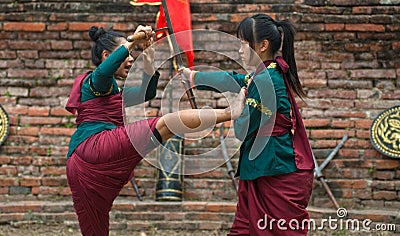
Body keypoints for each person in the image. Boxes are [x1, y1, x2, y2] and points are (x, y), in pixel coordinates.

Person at [65, 25, 246, 236]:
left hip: (82, 168)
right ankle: (229, 112)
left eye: (132, 54)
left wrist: (149, 57)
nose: (131, 59)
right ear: (107, 55)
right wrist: (132, 41)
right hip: (92, 148)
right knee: (168, 123)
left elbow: (146, 92)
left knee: (96, 229)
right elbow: (104, 71)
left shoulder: (115, 93)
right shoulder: (94, 82)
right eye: (127, 53)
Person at [180, 13, 314, 235]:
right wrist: (193, 77)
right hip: (265, 169)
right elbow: (231, 79)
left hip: (276, 173)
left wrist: (238, 108)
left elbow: (243, 129)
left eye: (243, 44)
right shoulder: (266, 73)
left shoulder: (264, 80)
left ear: (262, 45)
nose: (239, 50)